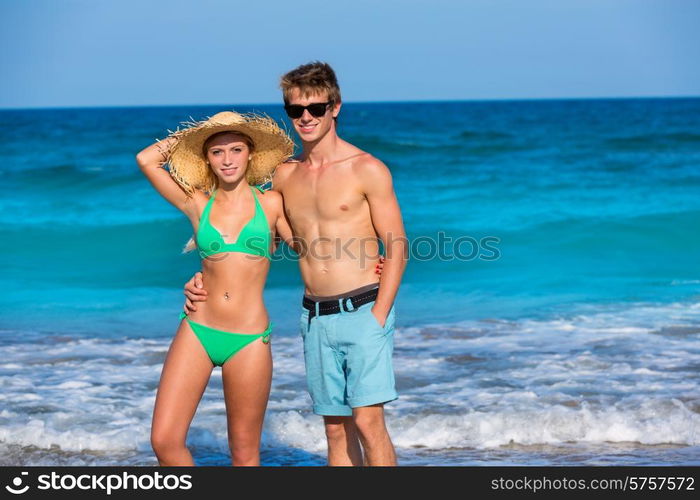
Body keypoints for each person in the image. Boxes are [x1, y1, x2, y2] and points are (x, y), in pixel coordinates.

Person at [184, 62, 408, 466]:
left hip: (362, 310)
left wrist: (379, 313)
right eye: (295, 110)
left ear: (335, 107)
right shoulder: (285, 176)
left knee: (369, 422)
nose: (306, 118)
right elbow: (253, 240)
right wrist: (205, 275)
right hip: (314, 316)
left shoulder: (367, 169)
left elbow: (397, 245)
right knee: (335, 429)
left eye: (316, 108)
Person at [136, 111, 295, 465]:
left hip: (249, 339)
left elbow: (311, 249)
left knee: (244, 455)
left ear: (250, 153)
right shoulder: (197, 203)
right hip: (198, 327)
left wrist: (369, 263)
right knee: (164, 441)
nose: (227, 159)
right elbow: (146, 159)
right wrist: (195, 134)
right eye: (216, 151)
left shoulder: (271, 204)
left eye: (236, 149)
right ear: (206, 158)